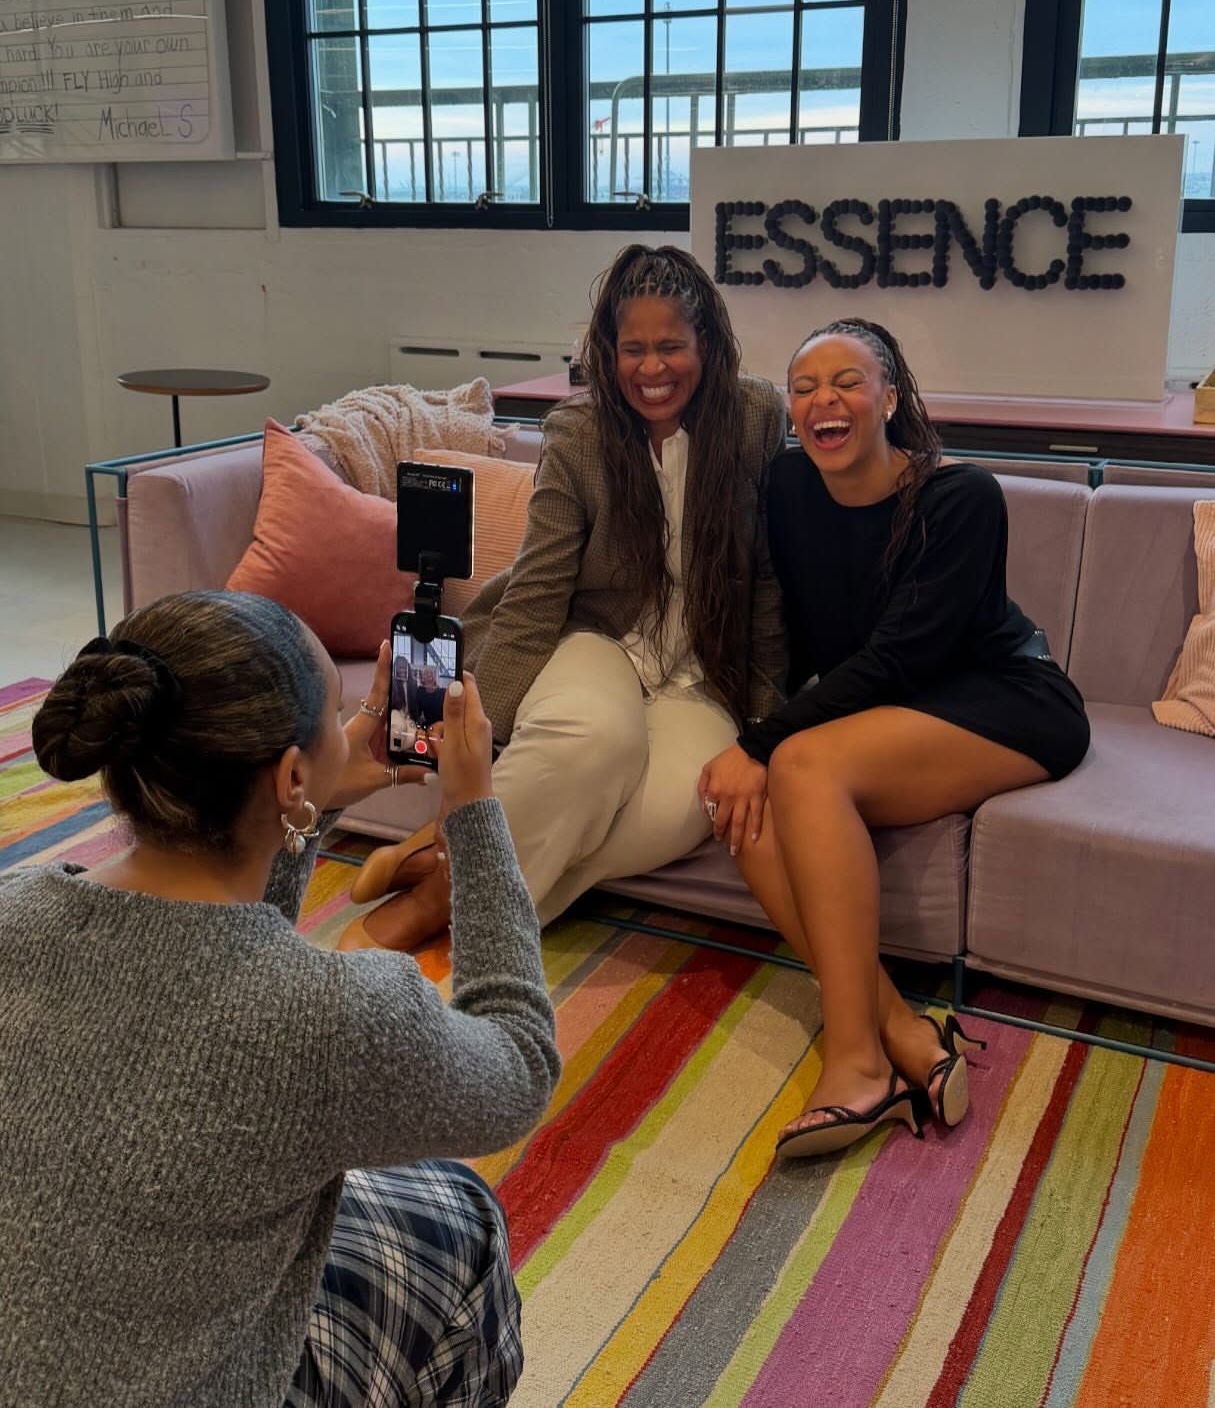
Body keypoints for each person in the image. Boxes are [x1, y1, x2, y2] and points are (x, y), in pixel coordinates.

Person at [0, 591, 559, 1406]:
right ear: (290, 773)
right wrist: (473, 813)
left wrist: (306, 808)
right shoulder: (338, 1020)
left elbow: (225, 951)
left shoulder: (14, 908)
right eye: (336, 716)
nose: (350, 729)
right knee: (459, 1215)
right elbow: (519, 1064)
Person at [698, 319, 1090, 1160]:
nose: (823, 401)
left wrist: (762, 741)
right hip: (894, 709)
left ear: (888, 398)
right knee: (747, 808)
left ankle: (856, 1064)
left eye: (847, 382)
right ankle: (903, 1030)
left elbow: (899, 656)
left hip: (1005, 697)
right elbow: (791, 629)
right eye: (804, 388)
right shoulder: (788, 486)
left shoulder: (960, 497)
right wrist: (748, 734)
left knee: (794, 763)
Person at [342, 243, 788, 950]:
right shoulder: (578, 435)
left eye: (671, 346)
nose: (651, 369)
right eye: (632, 349)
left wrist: (765, 728)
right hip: (596, 637)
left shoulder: (756, 416)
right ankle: (433, 906)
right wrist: (482, 729)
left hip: (705, 668)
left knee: (688, 806)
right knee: (593, 744)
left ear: (707, 344)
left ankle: (440, 863)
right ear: (607, 352)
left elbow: (765, 577)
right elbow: (538, 587)